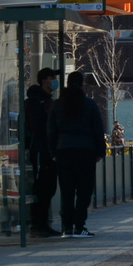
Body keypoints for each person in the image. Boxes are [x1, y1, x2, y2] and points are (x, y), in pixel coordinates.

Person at [52, 70, 109, 237]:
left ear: (67, 83)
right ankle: (79, 226)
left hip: (64, 152)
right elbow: (98, 129)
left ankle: (67, 227)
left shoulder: (58, 105)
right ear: (82, 84)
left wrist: (53, 151)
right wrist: (100, 151)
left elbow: (51, 130)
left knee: (67, 191)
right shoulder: (89, 104)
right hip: (85, 152)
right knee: (84, 190)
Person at [22, 68, 61, 237]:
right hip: (40, 150)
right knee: (41, 188)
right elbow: (36, 127)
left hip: (50, 151)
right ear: (44, 80)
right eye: (52, 77)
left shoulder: (49, 100)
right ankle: (37, 225)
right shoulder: (34, 101)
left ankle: (43, 223)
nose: (54, 81)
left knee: (49, 188)